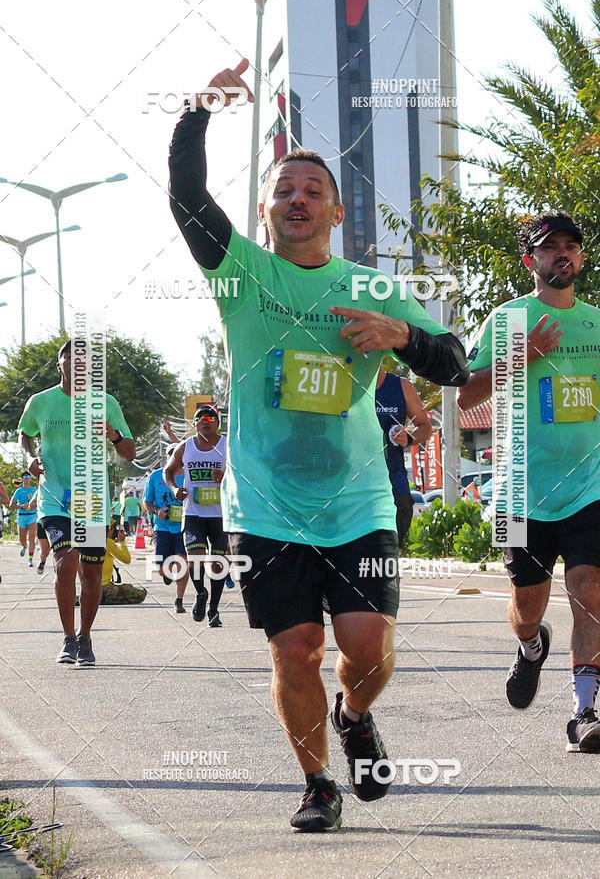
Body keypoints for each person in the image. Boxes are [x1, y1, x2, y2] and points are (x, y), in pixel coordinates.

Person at [168, 59, 469, 831]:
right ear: (265, 214)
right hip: (265, 505)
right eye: (282, 191)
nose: (296, 198)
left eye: (312, 191)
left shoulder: (371, 289)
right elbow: (186, 197)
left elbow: (456, 364)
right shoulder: (239, 272)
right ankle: (317, 785)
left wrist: (403, 334)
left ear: (337, 215)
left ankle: (356, 714)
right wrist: (198, 110)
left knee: (365, 648)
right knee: (293, 651)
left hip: (358, 499)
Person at [458, 211, 600, 754]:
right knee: (528, 607)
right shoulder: (507, 320)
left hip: (590, 486)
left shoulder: (595, 321)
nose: (562, 253)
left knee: (590, 589)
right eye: (550, 247)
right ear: (531, 260)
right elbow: (467, 396)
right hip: (519, 491)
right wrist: (524, 357)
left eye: (571, 246)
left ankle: (585, 710)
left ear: (581, 258)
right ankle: (530, 646)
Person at [17, 339, 135, 666]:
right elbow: (24, 433)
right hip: (55, 497)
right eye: (71, 359)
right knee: (65, 561)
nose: (77, 365)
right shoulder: (40, 402)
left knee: (92, 573)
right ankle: (68, 638)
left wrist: (113, 435)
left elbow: (130, 452)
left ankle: (85, 636)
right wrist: (29, 457)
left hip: (91, 500)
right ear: (60, 366)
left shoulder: (105, 403)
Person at [164, 406, 229, 627]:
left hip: (221, 516)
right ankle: (201, 593)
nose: (204, 421)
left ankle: (214, 610)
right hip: (193, 514)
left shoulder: (227, 446)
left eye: (209, 417)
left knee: (219, 563)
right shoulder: (185, 447)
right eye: (199, 418)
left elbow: (243, 473)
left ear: (217, 422)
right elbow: (168, 471)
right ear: (194, 424)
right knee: (196, 558)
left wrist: (227, 477)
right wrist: (174, 489)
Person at [375, 370, 433, 546]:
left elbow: (425, 427)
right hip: (353, 487)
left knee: (388, 556)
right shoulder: (345, 381)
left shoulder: (401, 386)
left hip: (394, 485)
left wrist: (408, 438)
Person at [144, 443, 189, 614]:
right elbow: (146, 502)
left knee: (182, 562)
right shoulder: (156, 477)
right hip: (162, 528)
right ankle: (167, 574)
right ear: (167, 458)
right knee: (163, 569)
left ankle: (179, 599)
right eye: (172, 455)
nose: (176, 458)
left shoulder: (188, 476)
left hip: (184, 527)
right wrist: (157, 511)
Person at [100, 522, 146, 604]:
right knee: (139, 595)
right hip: (104, 586)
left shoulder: (99, 541)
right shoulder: (107, 542)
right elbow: (127, 559)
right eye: (114, 529)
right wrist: (122, 542)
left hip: (92, 585)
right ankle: (105, 598)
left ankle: (103, 598)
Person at [9, 472, 37, 567]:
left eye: (28, 476)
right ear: (22, 479)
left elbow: (39, 502)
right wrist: (21, 506)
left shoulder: (35, 490)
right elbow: (11, 505)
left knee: (32, 538)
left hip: (33, 516)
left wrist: (31, 506)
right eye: (24, 477)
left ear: (30, 478)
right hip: (22, 516)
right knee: (22, 539)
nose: (26, 478)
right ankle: (24, 546)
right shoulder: (19, 491)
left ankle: (30, 559)